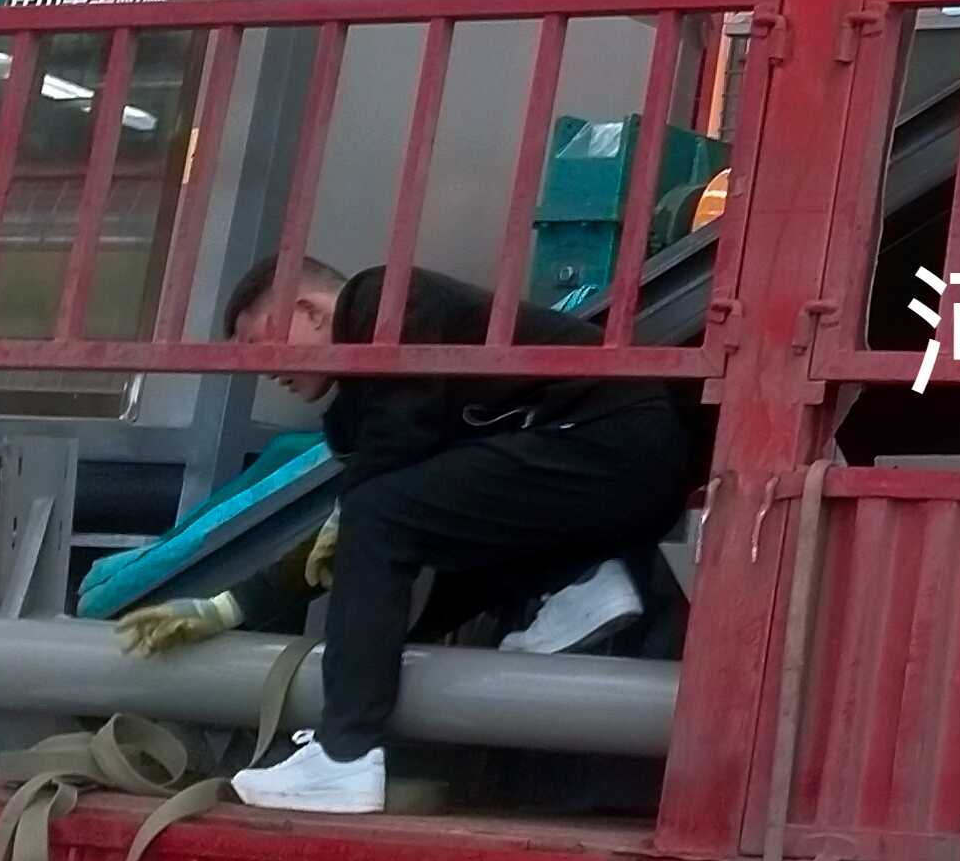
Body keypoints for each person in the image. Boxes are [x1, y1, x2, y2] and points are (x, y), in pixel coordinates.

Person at [113, 256, 700, 812]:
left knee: (381, 512)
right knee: (399, 518)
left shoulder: (383, 299)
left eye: (260, 342)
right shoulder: (355, 415)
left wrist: (352, 511)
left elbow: (383, 487)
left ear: (310, 311)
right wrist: (228, 606)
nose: (261, 368)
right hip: (613, 468)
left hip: (616, 438)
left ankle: (345, 753)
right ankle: (586, 582)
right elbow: (359, 535)